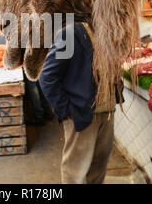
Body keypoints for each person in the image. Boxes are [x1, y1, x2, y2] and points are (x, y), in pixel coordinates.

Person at [39, 22, 123, 184]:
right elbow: (47, 77)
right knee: (75, 172)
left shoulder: (109, 34)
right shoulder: (70, 34)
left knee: (99, 167)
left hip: (107, 113)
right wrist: (65, 110)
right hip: (80, 114)